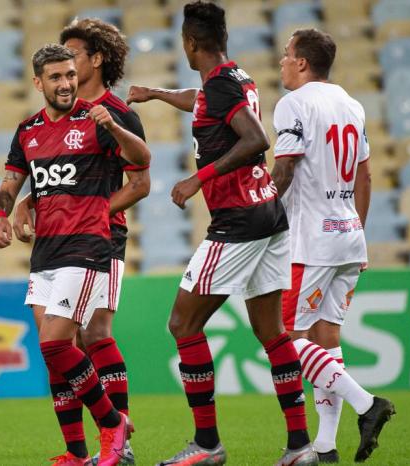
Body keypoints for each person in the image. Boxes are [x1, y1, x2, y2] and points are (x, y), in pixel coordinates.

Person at [127, 2, 317, 465]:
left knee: (182, 323)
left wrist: (199, 178)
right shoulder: (237, 79)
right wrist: (155, 92)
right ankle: (299, 447)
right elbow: (202, 101)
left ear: (190, 43)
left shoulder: (221, 87)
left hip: (238, 221)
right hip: (269, 215)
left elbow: (255, 140)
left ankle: (207, 445)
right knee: (271, 331)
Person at [0, 44, 150, 466]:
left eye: (69, 75)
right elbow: (10, 183)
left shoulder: (97, 119)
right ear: (38, 82)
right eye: (56, 78)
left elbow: (142, 160)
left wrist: (113, 128)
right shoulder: (27, 130)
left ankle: (113, 423)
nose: (65, 84)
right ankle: (77, 453)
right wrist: (2, 214)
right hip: (45, 251)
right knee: (57, 358)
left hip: (87, 247)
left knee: (56, 344)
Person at [271, 28, 395, 463]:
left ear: (302, 62)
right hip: (347, 237)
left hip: (310, 243)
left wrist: (259, 214)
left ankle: (366, 404)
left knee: (284, 341)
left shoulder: (294, 104)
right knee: (326, 340)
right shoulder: (351, 104)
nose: (282, 62)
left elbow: (284, 169)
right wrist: (355, 229)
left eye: (286, 55)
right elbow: (365, 175)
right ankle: (325, 444)